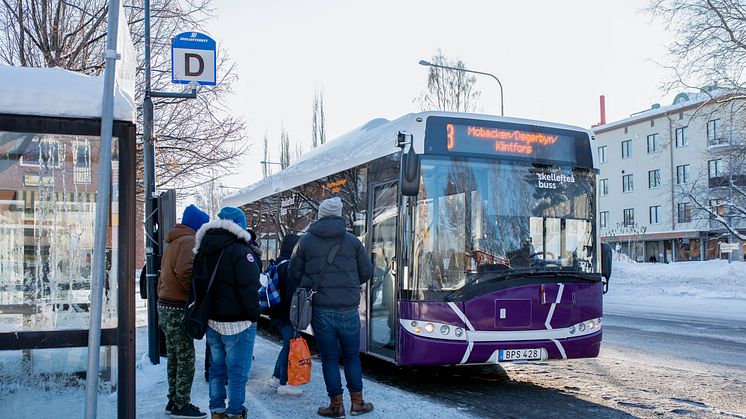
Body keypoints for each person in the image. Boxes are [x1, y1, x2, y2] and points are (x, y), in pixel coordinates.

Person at [289, 197, 375, 417]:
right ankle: (358, 403)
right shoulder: (353, 241)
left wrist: (310, 283)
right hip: (348, 308)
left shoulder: (305, 241)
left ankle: (336, 406)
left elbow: (293, 273)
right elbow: (367, 271)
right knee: (352, 357)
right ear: (339, 214)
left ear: (320, 215)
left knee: (329, 358)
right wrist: (350, 282)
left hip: (321, 309)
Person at [193, 207, 261, 419]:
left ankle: (217, 411)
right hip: (238, 322)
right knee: (237, 373)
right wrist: (254, 315)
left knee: (216, 369)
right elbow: (250, 287)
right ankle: (235, 412)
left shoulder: (204, 248)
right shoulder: (241, 251)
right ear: (239, 225)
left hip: (212, 320)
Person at [157, 204, 210, 418]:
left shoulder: (174, 241)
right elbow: (186, 272)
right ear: (197, 225)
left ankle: (173, 399)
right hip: (178, 307)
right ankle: (182, 405)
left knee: (175, 357)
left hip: (166, 305)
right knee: (187, 358)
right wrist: (197, 296)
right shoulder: (189, 241)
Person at [266, 233, 303, 395]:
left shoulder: (277, 264)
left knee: (287, 345)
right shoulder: (290, 267)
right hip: (287, 315)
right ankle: (284, 383)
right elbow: (291, 296)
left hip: (277, 313)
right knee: (290, 346)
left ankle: (275, 378)